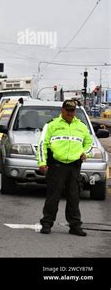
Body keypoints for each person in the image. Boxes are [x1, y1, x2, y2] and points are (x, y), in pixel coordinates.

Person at [37, 100, 93, 236]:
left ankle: (75, 226)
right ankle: (47, 223)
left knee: (74, 197)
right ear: (62, 110)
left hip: (74, 166)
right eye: (67, 110)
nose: (69, 113)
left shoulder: (82, 126)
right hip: (57, 165)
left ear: (75, 111)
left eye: (72, 110)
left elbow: (89, 143)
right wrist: (42, 162)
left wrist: (86, 153)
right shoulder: (51, 125)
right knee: (53, 196)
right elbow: (42, 144)